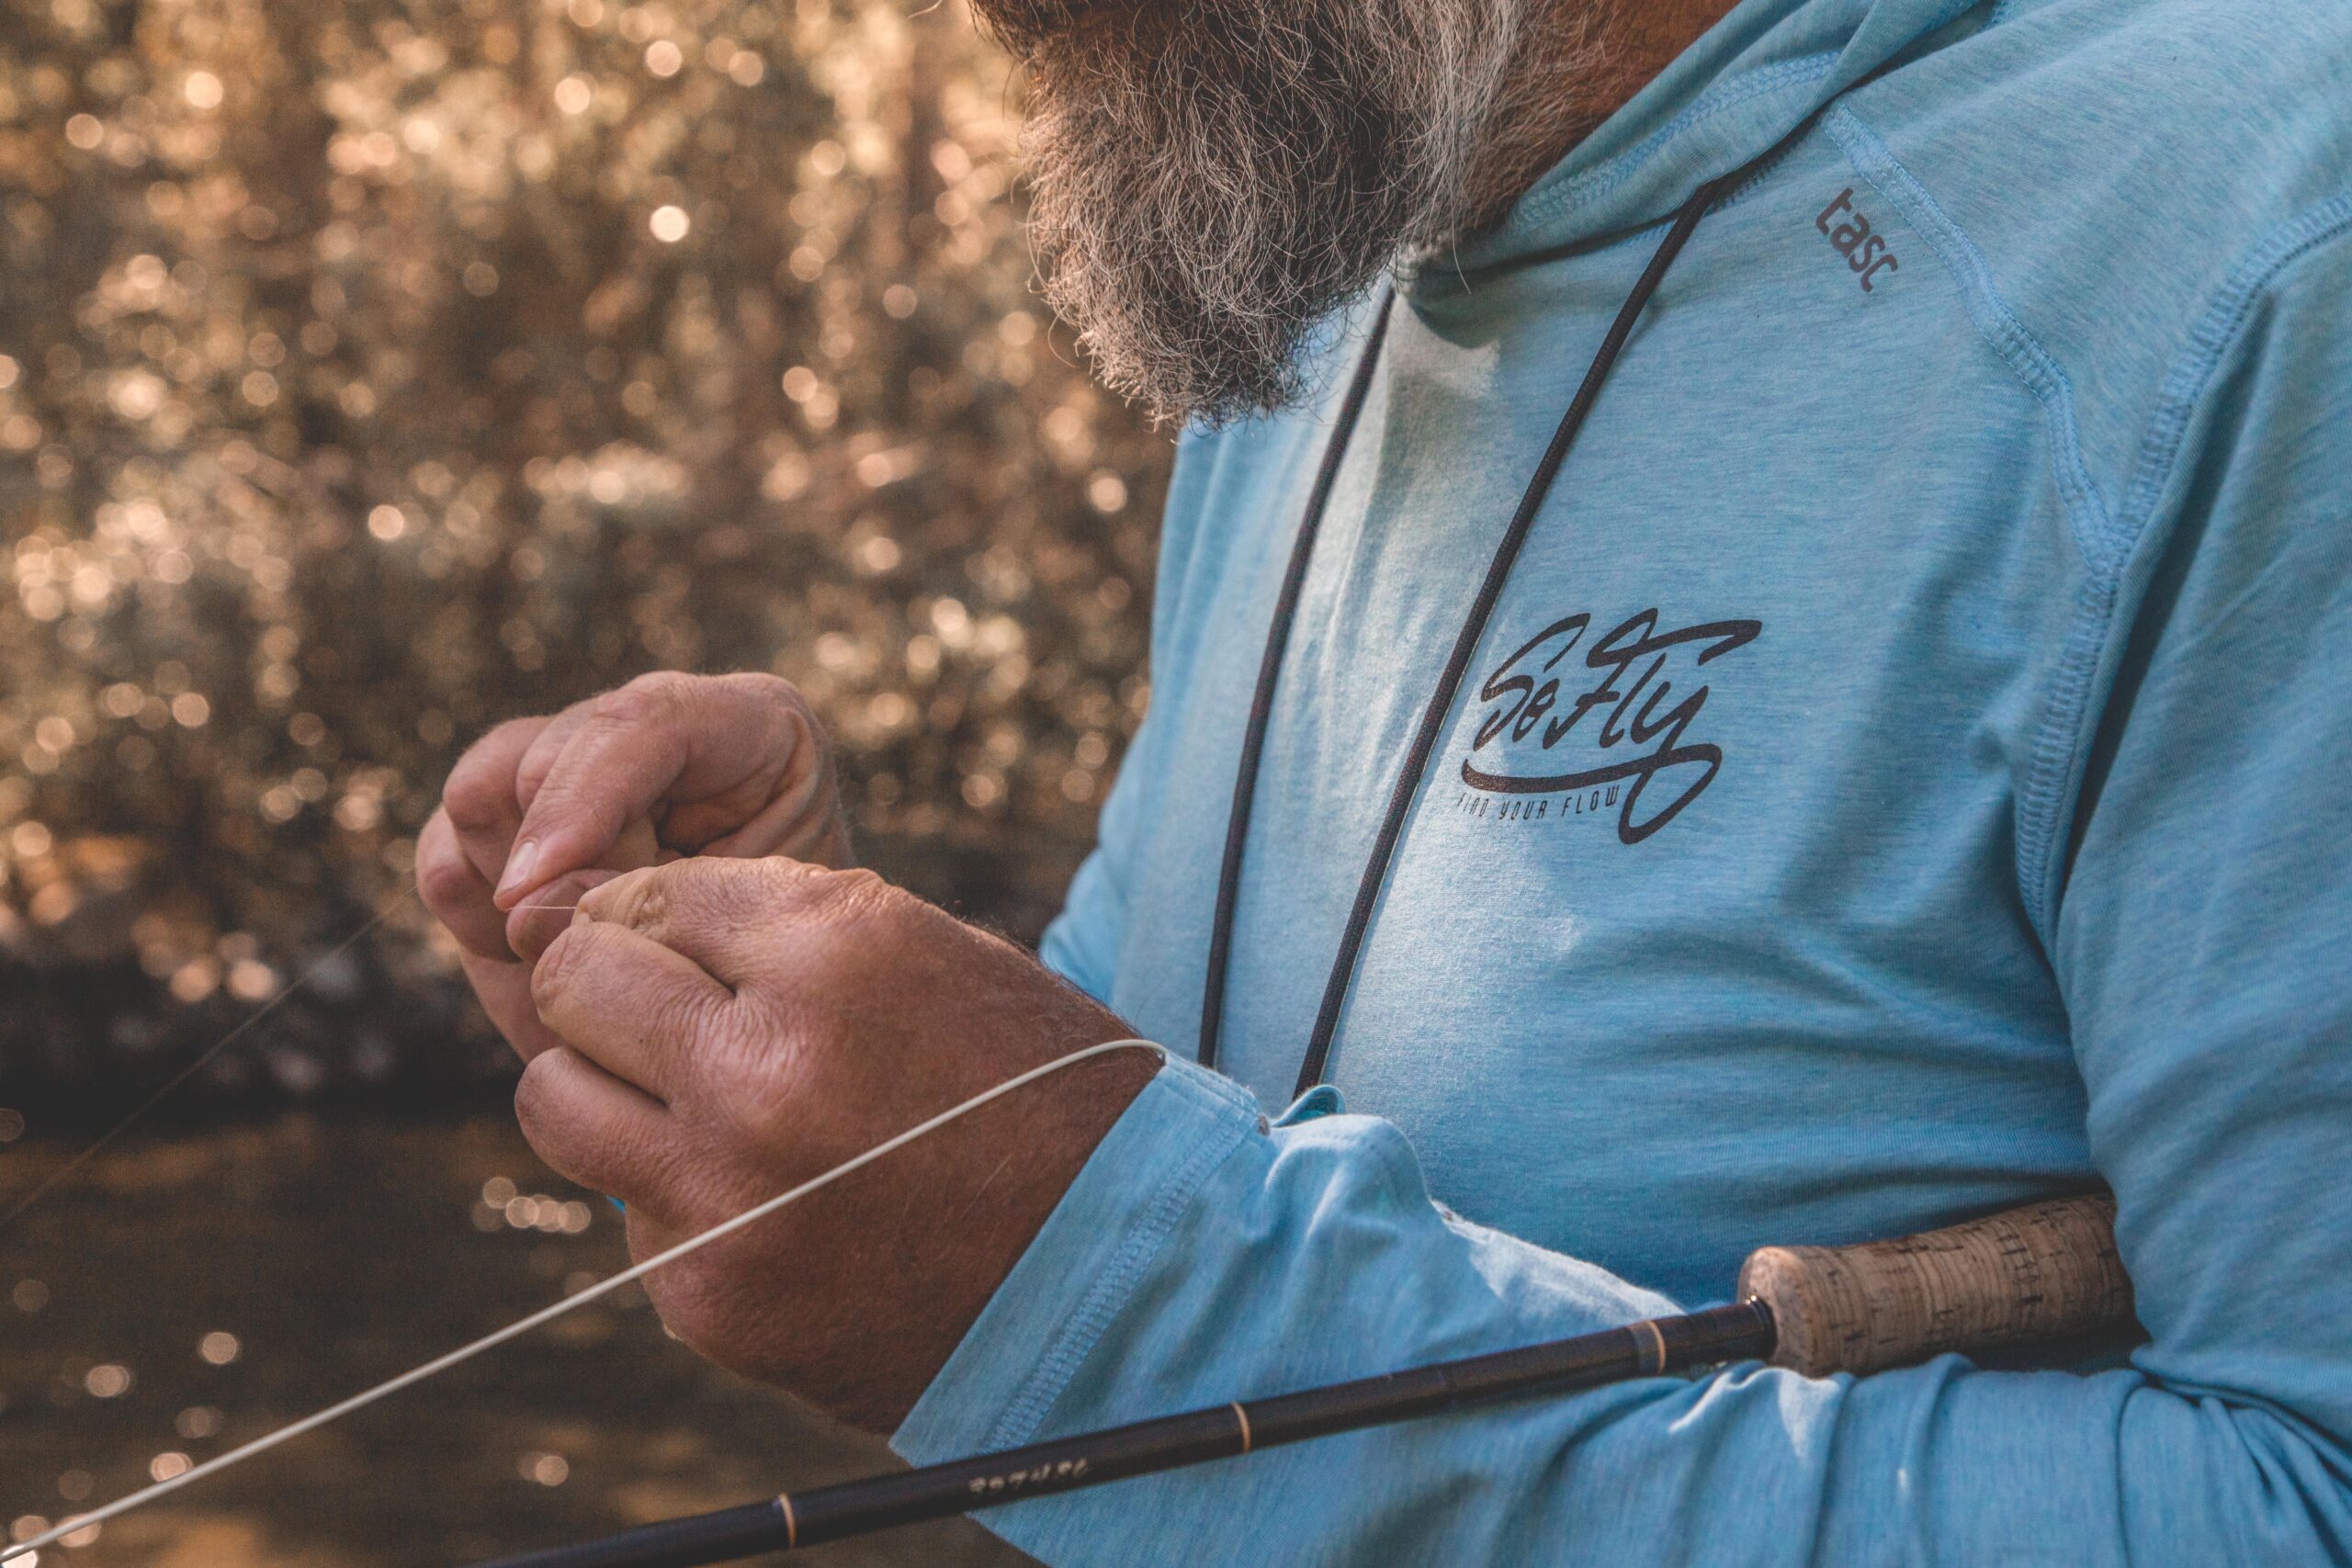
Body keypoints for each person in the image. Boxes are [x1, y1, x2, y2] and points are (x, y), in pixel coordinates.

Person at [415, 0, 2352, 1559]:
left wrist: (1119, 1301)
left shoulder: (2268, 248)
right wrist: (816, 1028)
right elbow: (1207, 1132)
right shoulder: (1329, 202)